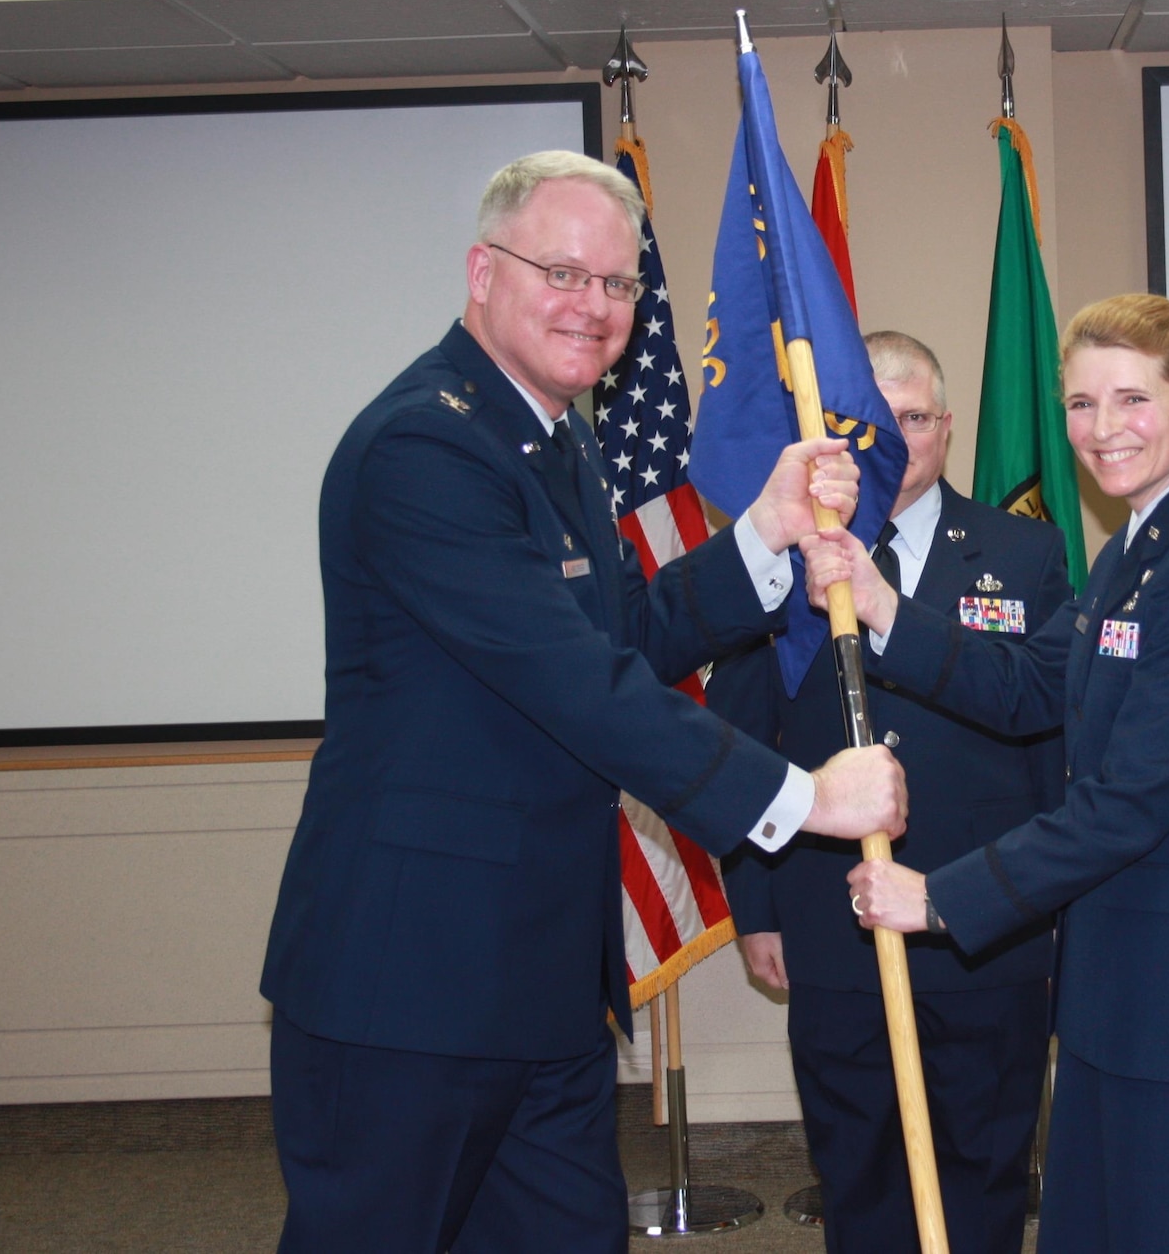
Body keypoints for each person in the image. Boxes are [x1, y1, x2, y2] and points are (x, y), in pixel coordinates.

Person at [259, 150, 907, 1254]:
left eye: (616, 286)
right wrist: (800, 799)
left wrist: (762, 534)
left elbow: (621, 636)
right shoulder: (427, 444)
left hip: (542, 985)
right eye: (562, 273)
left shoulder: (554, 441)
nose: (593, 307)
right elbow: (575, 683)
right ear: (481, 271)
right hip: (410, 988)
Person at [810, 294, 1169, 1253]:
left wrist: (943, 899)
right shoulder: (1138, 549)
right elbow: (1031, 682)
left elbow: (1131, 800)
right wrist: (884, 609)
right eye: (1082, 405)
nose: (1101, 430)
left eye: (1132, 400)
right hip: (1121, 998)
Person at [710, 331, 1069, 1254]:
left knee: (986, 1170)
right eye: (873, 423)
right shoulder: (788, 556)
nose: (896, 442)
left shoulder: (1024, 553)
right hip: (831, 924)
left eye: (914, 418)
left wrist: (1048, 910)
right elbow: (737, 744)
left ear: (946, 427)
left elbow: (1046, 741)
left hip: (983, 926)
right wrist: (755, 905)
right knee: (858, 1172)